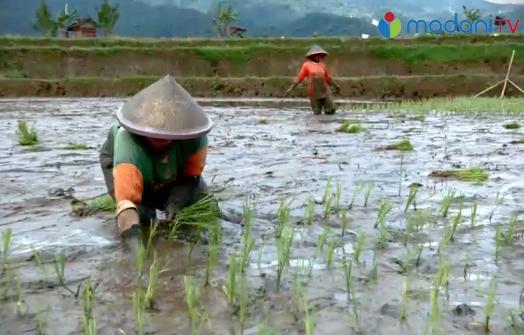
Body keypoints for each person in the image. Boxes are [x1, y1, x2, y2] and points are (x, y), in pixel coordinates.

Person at [99, 75, 213, 248]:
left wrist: (175, 203)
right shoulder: (128, 144)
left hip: (174, 163)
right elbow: (127, 204)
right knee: (144, 213)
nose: (161, 138)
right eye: (156, 135)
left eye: (167, 135)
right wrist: (135, 253)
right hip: (125, 158)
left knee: (200, 203)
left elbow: (190, 177)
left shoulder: (194, 138)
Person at [286, 45, 341, 115]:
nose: (317, 57)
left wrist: (336, 86)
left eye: (319, 55)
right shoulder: (306, 65)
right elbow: (300, 78)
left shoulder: (322, 65)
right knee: (317, 113)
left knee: (331, 110)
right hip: (313, 92)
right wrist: (291, 88)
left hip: (324, 90)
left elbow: (328, 78)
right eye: (315, 55)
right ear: (312, 56)